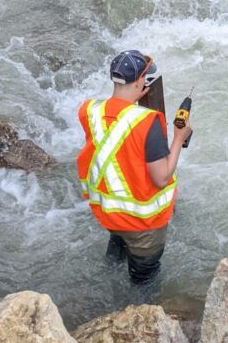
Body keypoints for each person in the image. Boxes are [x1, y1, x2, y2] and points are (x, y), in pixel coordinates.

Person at [76, 50, 192, 283]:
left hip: (109, 214)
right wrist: (179, 137)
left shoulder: (89, 110)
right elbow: (160, 178)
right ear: (141, 82)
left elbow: (119, 148)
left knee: (114, 260)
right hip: (143, 226)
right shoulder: (147, 122)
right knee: (144, 282)